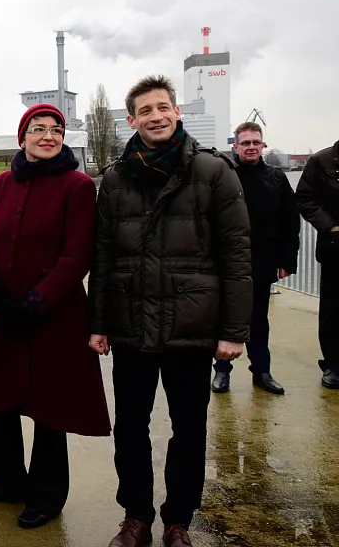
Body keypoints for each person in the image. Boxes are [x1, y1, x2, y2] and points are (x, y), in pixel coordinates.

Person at [88, 75, 251, 547]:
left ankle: (178, 520)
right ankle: (135, 517)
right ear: (132, 120)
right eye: (145, 110)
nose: (156, 116)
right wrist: (98, 324)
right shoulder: (115, 178)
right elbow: (102, 257)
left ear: (177, 112)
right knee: (130, 428)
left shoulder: (213, 171)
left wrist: (234, 331)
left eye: (163, 107)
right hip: (132, 324)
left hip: (191, 324)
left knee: (189, 429)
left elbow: (237, 254)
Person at [0, 103, 111, 530]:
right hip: (6, 311)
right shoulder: (2, 183)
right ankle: (6, 480)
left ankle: (47, 495)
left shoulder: (78, 186)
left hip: (54, 313)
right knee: (1, 400)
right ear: (23, 137)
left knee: (51, 407)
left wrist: (40, 298)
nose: (48, 136)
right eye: (38, 128)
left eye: (56, 130)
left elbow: (78, 253)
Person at [211, 121, 300, 395]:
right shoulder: (225, 176)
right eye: (245, 143)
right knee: (224, 316)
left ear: (263, 145)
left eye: (256, 142)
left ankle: (261, 371)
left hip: (262, 258)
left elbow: (290, 221)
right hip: (227, 261)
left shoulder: (276, 178)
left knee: (259, 319)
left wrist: (287, 260)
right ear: (235, 147)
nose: (251, 147)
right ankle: (222, 370)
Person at [295, 138, 339, 389]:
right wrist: (331, 226)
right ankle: (333, 365)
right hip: (335, 248)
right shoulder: (321, 161)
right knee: (333, 310)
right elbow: (304, 198)